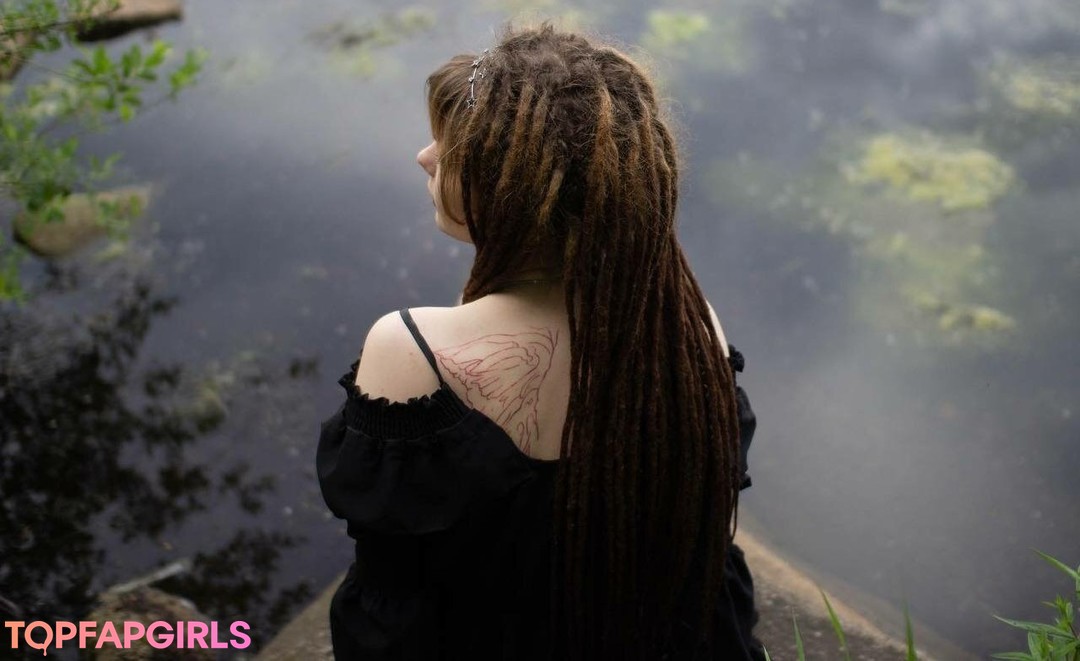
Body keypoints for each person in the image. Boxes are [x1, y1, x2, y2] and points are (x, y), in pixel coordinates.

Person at [317, 23, 766, 661]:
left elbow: (391, 593)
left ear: (515, 187)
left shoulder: (413, 350)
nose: (424, 156)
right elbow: (710, 557)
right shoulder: (693, 327)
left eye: (449, 144)